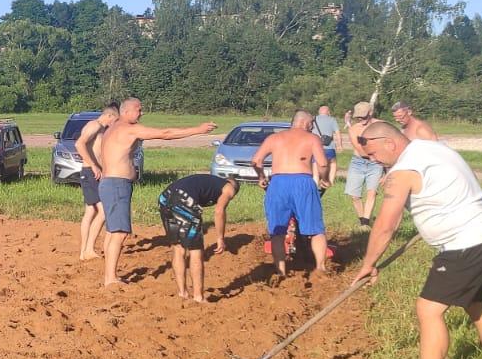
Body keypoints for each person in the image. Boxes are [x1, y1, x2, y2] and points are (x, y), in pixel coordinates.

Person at [352, 120, 482, 359]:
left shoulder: (403, 171)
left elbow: (386, 224)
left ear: (389, 143)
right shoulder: (434, 148)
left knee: (428, 309)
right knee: (476, 305)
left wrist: (369, 263)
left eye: (373, 154)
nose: (372, 160)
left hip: (468, 243)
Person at [97, 99, 217, 287]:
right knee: (119, 233)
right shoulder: (128, 128)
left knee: (113, 232)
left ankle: (109, 275)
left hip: (110, 184)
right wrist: (197, 130)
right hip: (116, 184)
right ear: (127, 111)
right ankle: (110, 278)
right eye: (139, 109)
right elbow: (165, 134)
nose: (141, 113)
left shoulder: (113, 127)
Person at [253, 110, 331, 278]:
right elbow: (323, 163)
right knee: (316, 229)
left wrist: (261, 177)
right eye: (311, 124)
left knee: (278, 231)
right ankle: (320, 268)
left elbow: (256, 161)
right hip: (303, 182)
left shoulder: (274, 138)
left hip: (278, 183)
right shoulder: (312, 139)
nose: (311, 127)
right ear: (305, 123)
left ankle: (280, 270)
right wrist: (325, 178)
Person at [156, 172, 240, 304]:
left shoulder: (212, 182)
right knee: (196, 250)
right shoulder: (230, 187)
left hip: (165, 197)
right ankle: (198, 297)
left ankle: (182, 293)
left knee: (178, 247)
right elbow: (219, 211)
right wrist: (220, 238)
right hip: (185, 200)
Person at [73, 104, 119, 261]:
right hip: (90, 173)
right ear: (110, 116)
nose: (115, 123)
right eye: (116, 120)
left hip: (94, 174)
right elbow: (79, 144)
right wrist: (93, 165)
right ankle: (88, 249)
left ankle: (85, 251)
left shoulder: (101, 129)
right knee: (103, 211)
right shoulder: (95, 125)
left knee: (91, 211)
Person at [344, 100, 382, 226]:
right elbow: (359, 149)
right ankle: (362, 219)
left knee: (372, 192)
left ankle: (365, 222)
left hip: (376, 163)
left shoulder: (382, 125)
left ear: (370, 112)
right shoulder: (354, 129)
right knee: (354, 195)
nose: (361, 118)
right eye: (358, 116)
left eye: (363, 115)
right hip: (358, 162)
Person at [312, 105, 339, 187]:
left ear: (319, 112)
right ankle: (330, 181)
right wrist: (340, 145)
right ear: (328, 112)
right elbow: (337, 133)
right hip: (329, 147)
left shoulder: (313, 119)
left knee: (315, 164)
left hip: (315, 147)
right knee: (332, 163)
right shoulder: (332, 120)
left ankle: (315, 182)